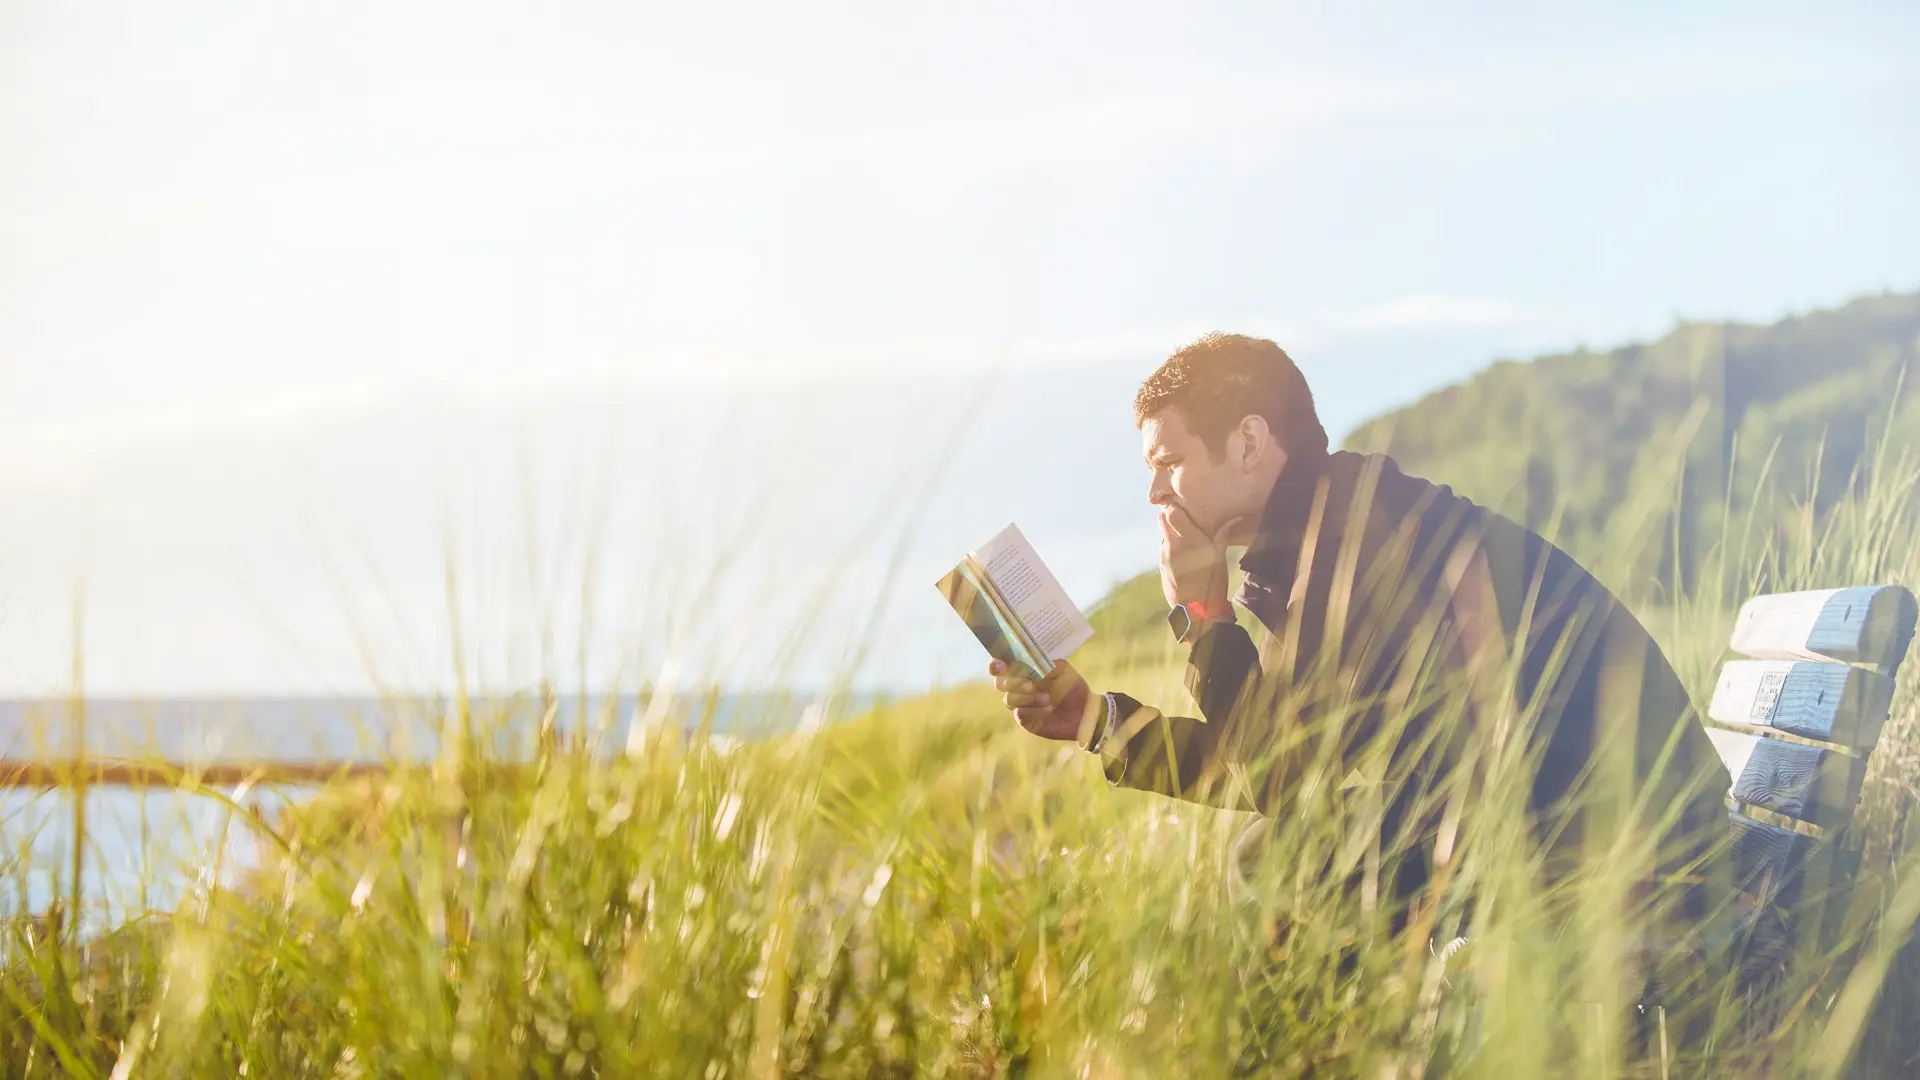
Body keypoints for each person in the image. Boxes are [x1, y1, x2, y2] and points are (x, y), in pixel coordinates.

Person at [988, 332, 1733, 977]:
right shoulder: (1323, 530)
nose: (1153, 491)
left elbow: (1279, 774)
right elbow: (1278, 759)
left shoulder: (1355, 542)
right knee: (1284, 849)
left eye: (1168, 461)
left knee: (1279, 857)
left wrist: (1208, 616)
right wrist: (1092, 719)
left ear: (1248, 443)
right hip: (1577, 828)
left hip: (1634, 856)